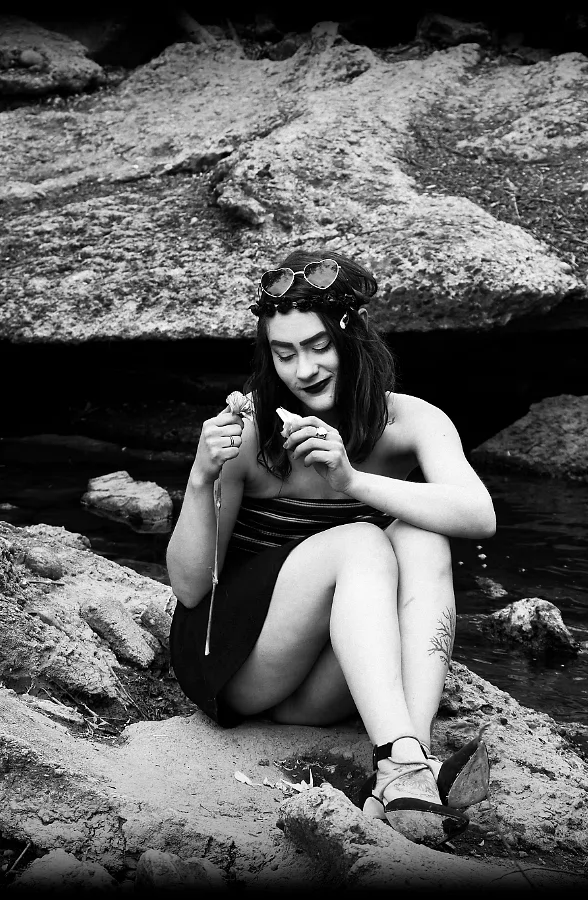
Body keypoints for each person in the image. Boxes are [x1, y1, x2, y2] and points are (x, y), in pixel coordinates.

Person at [165, 250, 497, 847]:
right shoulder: (247, 431)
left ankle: (408, 767)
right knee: (363, 541)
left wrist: (352, 481)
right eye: (284, 353)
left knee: (423, 532)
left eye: (318, 346)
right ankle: (403, 764)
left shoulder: (410, 421)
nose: (304, 368)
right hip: (240, 667)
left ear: (354, 336)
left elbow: (479, 516)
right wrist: (199, 476)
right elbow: (189, 589)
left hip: (324, 687)